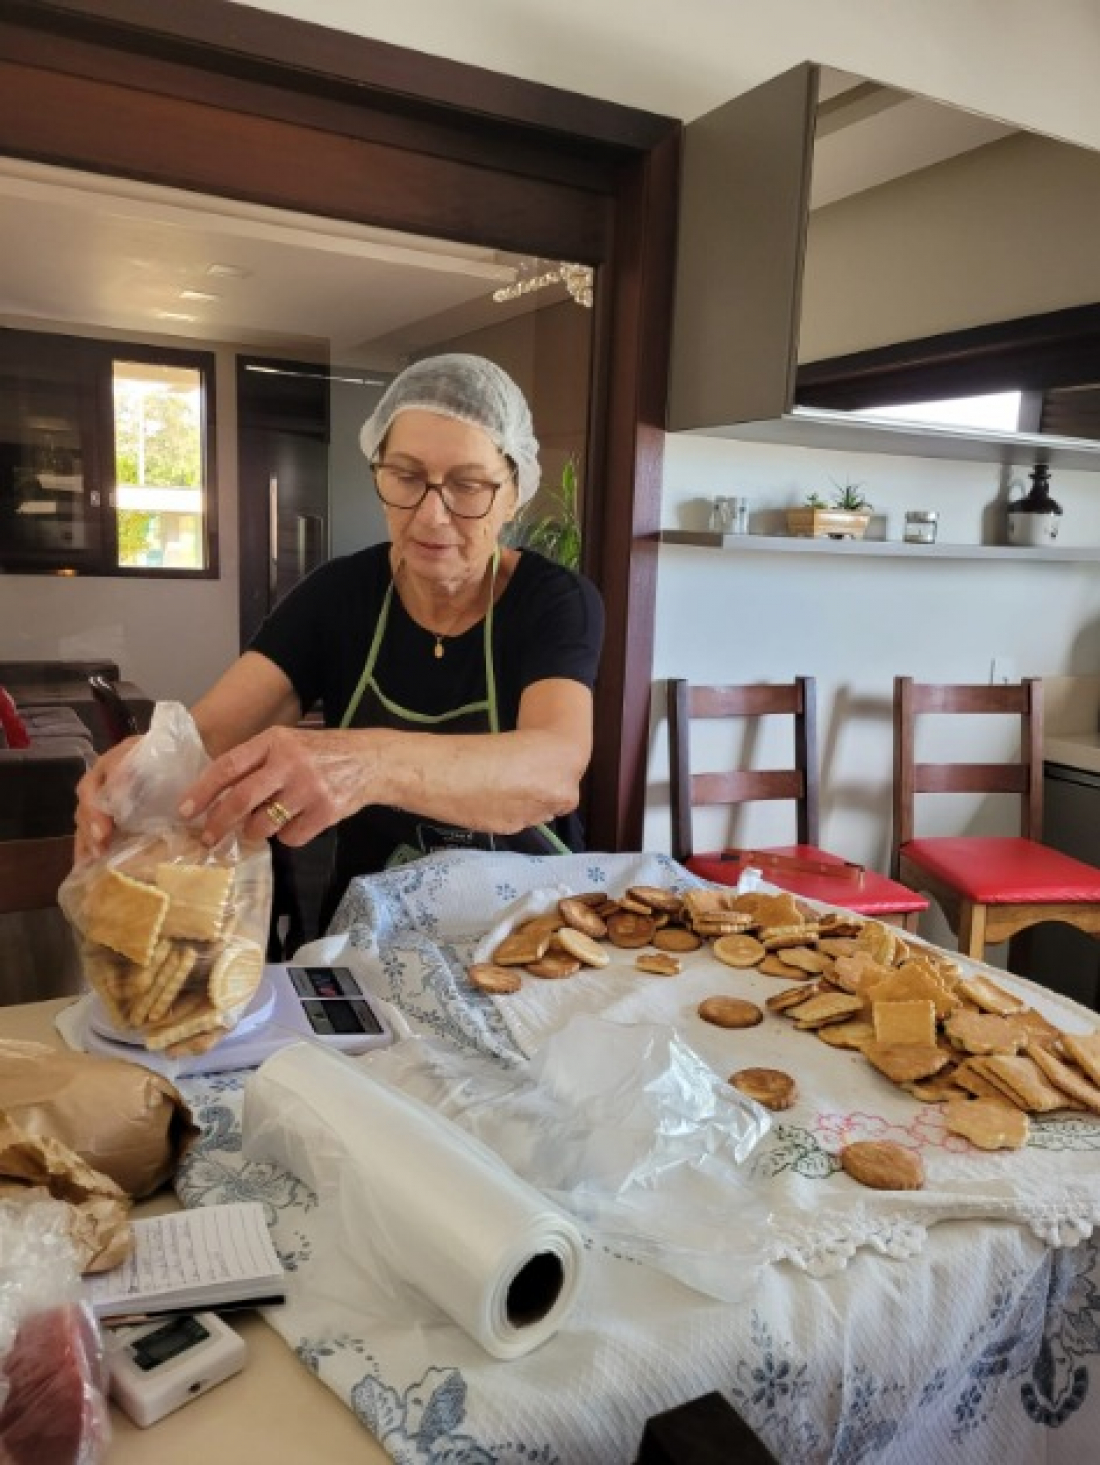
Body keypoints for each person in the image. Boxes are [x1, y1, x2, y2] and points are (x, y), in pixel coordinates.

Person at [76, 353, 605, 927]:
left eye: (468, 485)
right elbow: (208, 738)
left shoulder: (553, 602)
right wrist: (142, 771)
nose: (431, 515)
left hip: (537, 933)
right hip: (371, 932)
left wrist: (364, 764)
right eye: (405, 476)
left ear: (513, 492)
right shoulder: (339, 596)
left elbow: (553, 773)